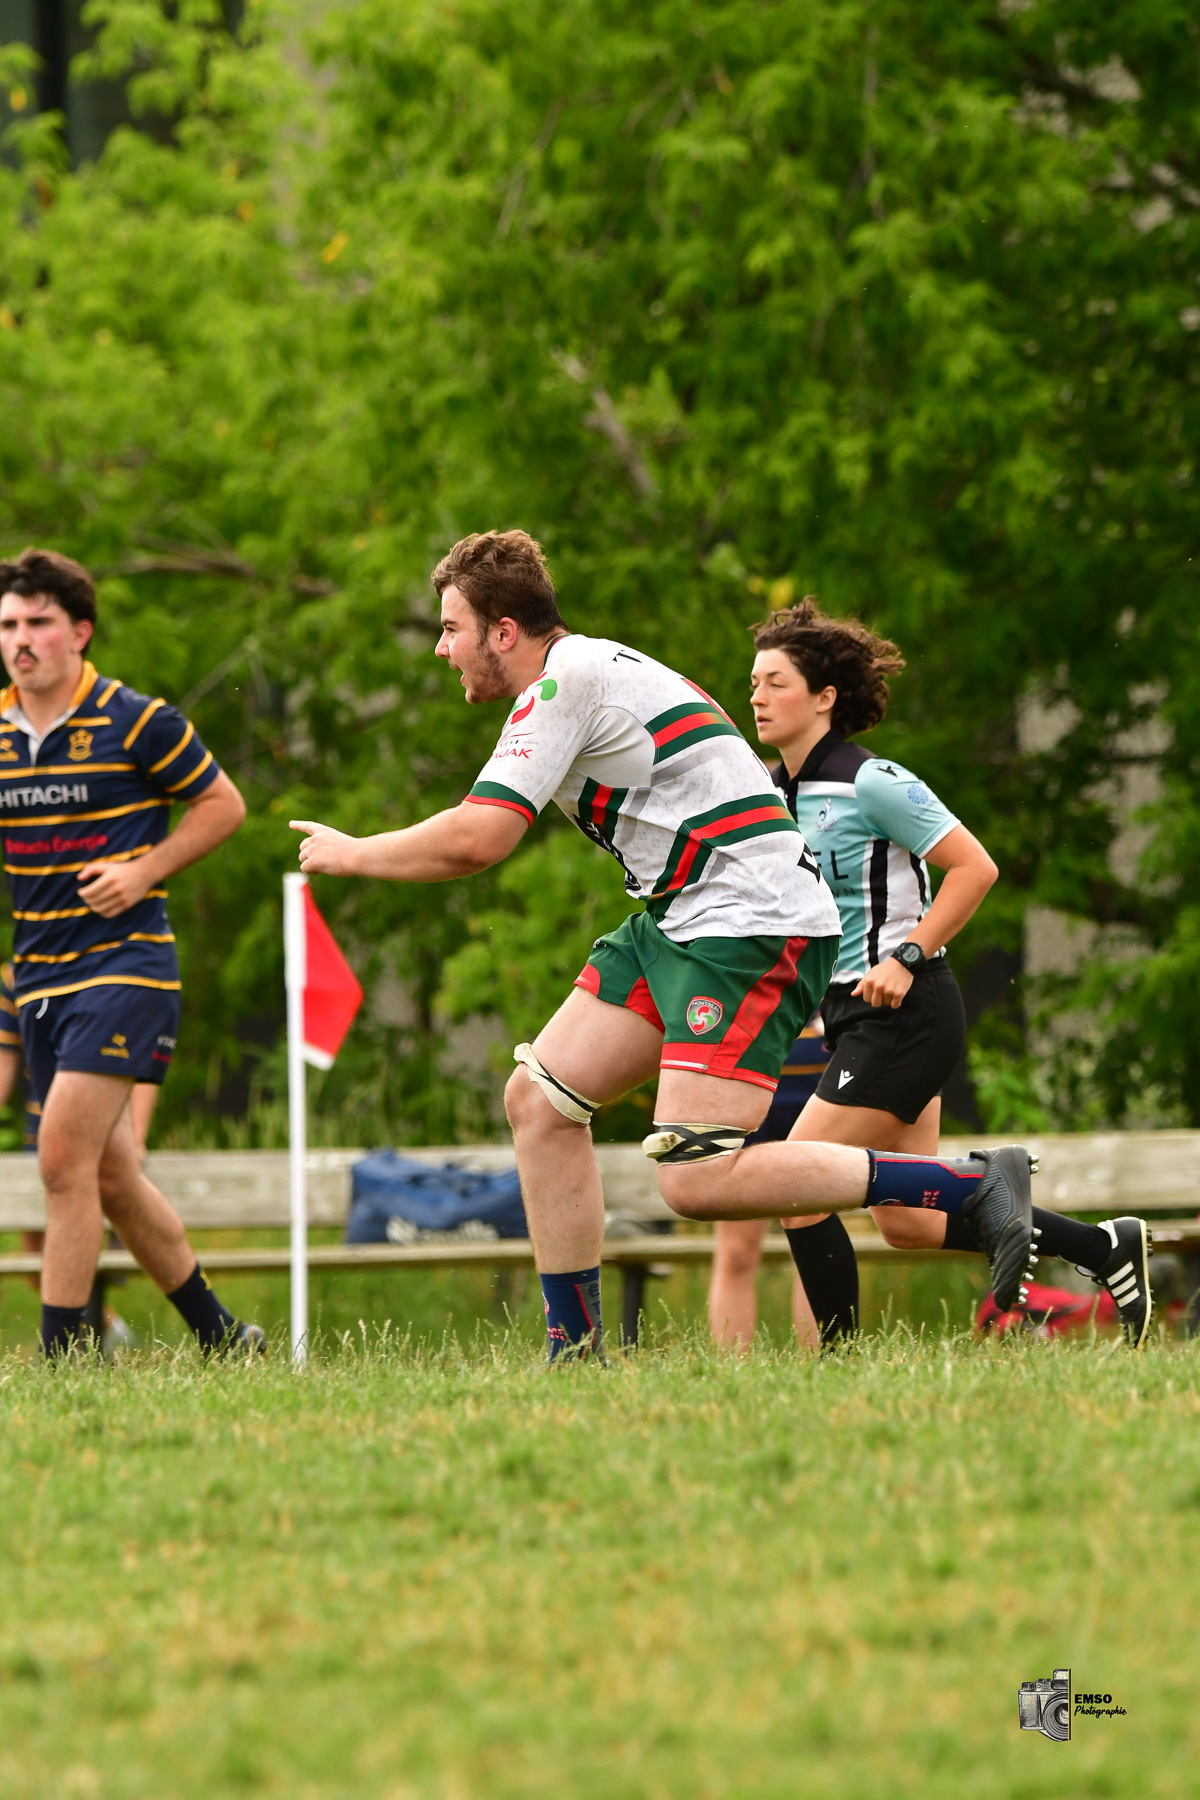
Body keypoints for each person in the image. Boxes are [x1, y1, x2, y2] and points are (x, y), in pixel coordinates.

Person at [292, 529, 1039, 1362]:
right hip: (683, 918)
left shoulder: (561, 684)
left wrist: (351, 852)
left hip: (748, 922)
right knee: (539, 1103)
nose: (442, 649)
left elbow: (479, 839)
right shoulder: (586, 671)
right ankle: (574, 1355)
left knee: (692, 1178)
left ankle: (971, 1188)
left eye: (451, 628)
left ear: (505, 631)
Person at [723, 598, 1152, 1350]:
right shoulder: (776, 793)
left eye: (776, 682)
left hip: (907, 1010)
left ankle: (839, 1365)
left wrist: (905, 956)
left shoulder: (873, 781)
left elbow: (973, 867)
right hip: (855, 1021)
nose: (756, 695)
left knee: (796, 1185)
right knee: (911, 1223)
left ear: (825, 697)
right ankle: (1103, 1248)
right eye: (753, 681)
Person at [0, 547, 263, 1358]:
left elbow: (224, 806)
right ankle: (222, 1336)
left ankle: (63, 1358)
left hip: (126, 967)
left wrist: (143, 870)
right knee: (110, 1175)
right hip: (36, 980)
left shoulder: (136, 720)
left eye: (39, 622)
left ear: (80, 631)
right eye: (8, 624)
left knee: (59, 1160)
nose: (21, 639)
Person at [708, 1015, 833, 1349]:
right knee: (736, 1251)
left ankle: (822, 1368)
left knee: (814, 1245)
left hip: (819, 1096)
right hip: (743, 1093)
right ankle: (733, 1373)